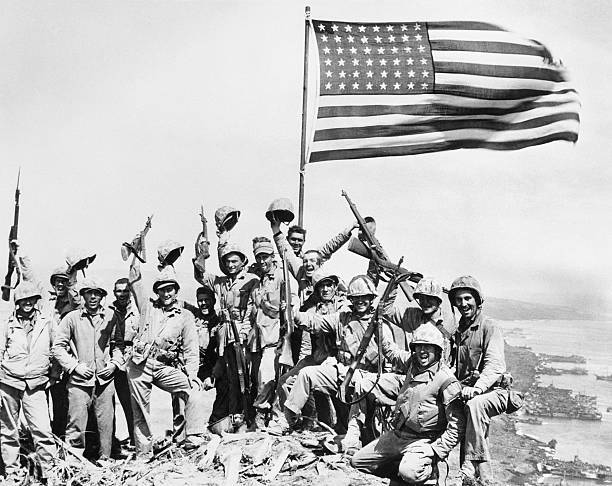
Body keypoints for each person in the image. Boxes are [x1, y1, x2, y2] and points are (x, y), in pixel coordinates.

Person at [342, 277, 452, 453]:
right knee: (364, 384)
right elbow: (385, 310)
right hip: (409, 374)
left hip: (432, 384)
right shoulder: (414, 315)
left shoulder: (448, 326)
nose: (425, 302)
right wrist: (395, 282)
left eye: (430, 298)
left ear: (439, 300)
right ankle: (353, 438)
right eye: (421, 298)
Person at [351, 323, 465, 485]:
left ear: (438, 351)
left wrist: (436, 450)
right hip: (398, 435)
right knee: (358, 462)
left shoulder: (446, 380)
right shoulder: (412, 364)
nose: (422, 351)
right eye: (418, 347)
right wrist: (379, 328)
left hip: (424, 440)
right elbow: (392, 353)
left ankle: (430, 473)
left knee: (410, 473)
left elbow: (457, 425)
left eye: (428, 347)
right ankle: (402, 470)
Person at [283, 275, 392, 430]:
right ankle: (289, 420)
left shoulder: (380, 325)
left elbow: (389, 357)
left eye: (364, 297)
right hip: (343, 372)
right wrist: (294, 314)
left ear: (371, 298)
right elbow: (316, 321)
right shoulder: (342, 318)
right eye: (356, 298)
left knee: (361, 427)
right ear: (351, 300)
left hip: (367, 379)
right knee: (306, 374)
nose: (360, 301)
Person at [126, 266, 205, 457]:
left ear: (176, 290)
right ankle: (143, 454)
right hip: (140, 364)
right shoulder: (148, 307)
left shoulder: (185, 316)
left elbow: (191, 350)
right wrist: (135, 258)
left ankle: (193, 438)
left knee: (192, 391)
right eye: (162, 289)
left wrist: (192, 375)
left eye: (170, 288)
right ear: (157, 291)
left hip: (163, 366)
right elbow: (135, 283)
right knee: (141, 411)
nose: (166, 293)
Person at [449, 276, 514, 486]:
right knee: (470, 420)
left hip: (495, 392)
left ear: (477, 300)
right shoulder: (459, 331)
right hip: (469, 394)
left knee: (475, 405)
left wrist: (476, 389)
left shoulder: (489, 327)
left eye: (467, 298)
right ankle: (482, 478)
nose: (463, 304)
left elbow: (495, 367)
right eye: (458, 300)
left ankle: (468, 468)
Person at [52, 278, 124, 461]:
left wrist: (114, 364)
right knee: (76, 423)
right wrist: (75, 366)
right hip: (79, 381)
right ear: (83, 295)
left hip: (104, 380)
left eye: (97, 293)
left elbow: (119, 345)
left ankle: (105, 459)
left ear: (102, 296)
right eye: (89, 293)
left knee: (106, 424)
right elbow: (58, 348)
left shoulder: (111, 316)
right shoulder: (72, 318)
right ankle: (74, 461)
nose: (93, 297)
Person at [195, 233, 259, 431]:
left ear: (242, 262)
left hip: (242, 335)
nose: (231, 265)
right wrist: (201, 254)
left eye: (235, 261)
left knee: (246, 379)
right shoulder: (221, 282)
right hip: (225, 336)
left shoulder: (251, 281)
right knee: (230, 380)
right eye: (228, 261)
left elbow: (252, 310)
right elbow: (200, 275)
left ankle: (249, 418)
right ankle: (232, 419)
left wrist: (246, 334)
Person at [0, 282, 57, 484]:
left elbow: (56, 349)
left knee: (42, 429)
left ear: (36, 301)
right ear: (17, 302)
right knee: (8, 429)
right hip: (9, 383)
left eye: (31, 299)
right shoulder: (7, 324)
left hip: (36, 384)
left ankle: (49, 472)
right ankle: (12, 471)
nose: (27, 303)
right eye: (23, 300)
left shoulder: (46, 322)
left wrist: (53, 376)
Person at [276, 270, 348, 429]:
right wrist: (291, 313)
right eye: (321, 286)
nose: (326, 289)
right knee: (287, 381)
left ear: (335, 286)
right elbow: (307, 326)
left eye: (329, 285)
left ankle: (342, 428)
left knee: (339, 393)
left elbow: (323, 323)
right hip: (319, 356)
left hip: (340, 359)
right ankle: (300, 421)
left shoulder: (344, 305)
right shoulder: (312, 307)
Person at [109, 277, 139, 450]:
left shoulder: (138, 312)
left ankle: (136, 441)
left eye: (125, 291)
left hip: (130, 360)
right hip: (111, 359)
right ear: (114, 293)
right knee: (108, 403)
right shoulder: (108, 310)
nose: (122, 294)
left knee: (131, 403)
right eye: (118, 291)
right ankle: (111, 442)